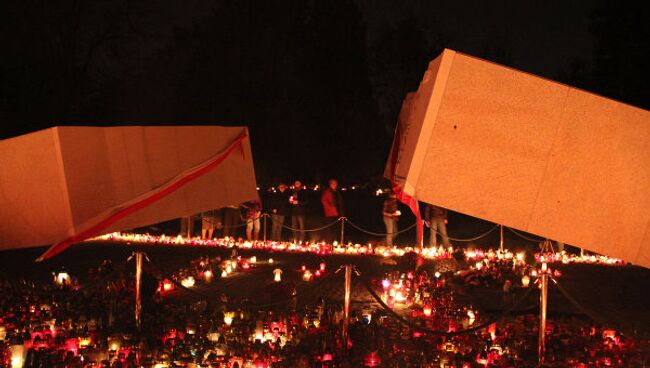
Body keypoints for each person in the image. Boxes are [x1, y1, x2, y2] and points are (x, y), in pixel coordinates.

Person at [320, 179, 344, 243]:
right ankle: (330, 242)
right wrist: (331, 207)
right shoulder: (327, 191)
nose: (335, 185)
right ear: (330, 184)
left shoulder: (337, 191)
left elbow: (340, 201)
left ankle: (336, 241)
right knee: (330, 229)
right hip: (330, 214)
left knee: (336, 229)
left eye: (336, 183)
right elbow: (324, 201)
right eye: (333, 183)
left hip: (337, 213)